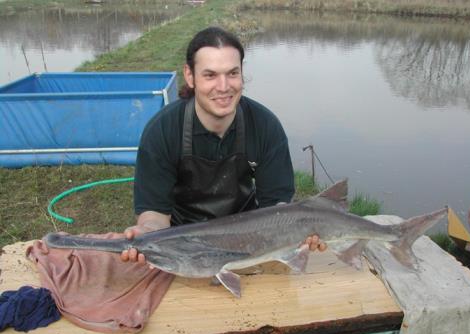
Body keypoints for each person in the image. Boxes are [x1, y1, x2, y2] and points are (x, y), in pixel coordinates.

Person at [115, 27, 326, 263]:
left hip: (250, 239)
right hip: (184, 242)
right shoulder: (161, 131)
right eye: (210, 75)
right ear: (190, 75)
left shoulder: (266, 126)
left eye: (232, 73)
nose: (224, 86)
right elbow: (154, 213)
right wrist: (147, 232)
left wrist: (300, 231)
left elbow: (276, 208)